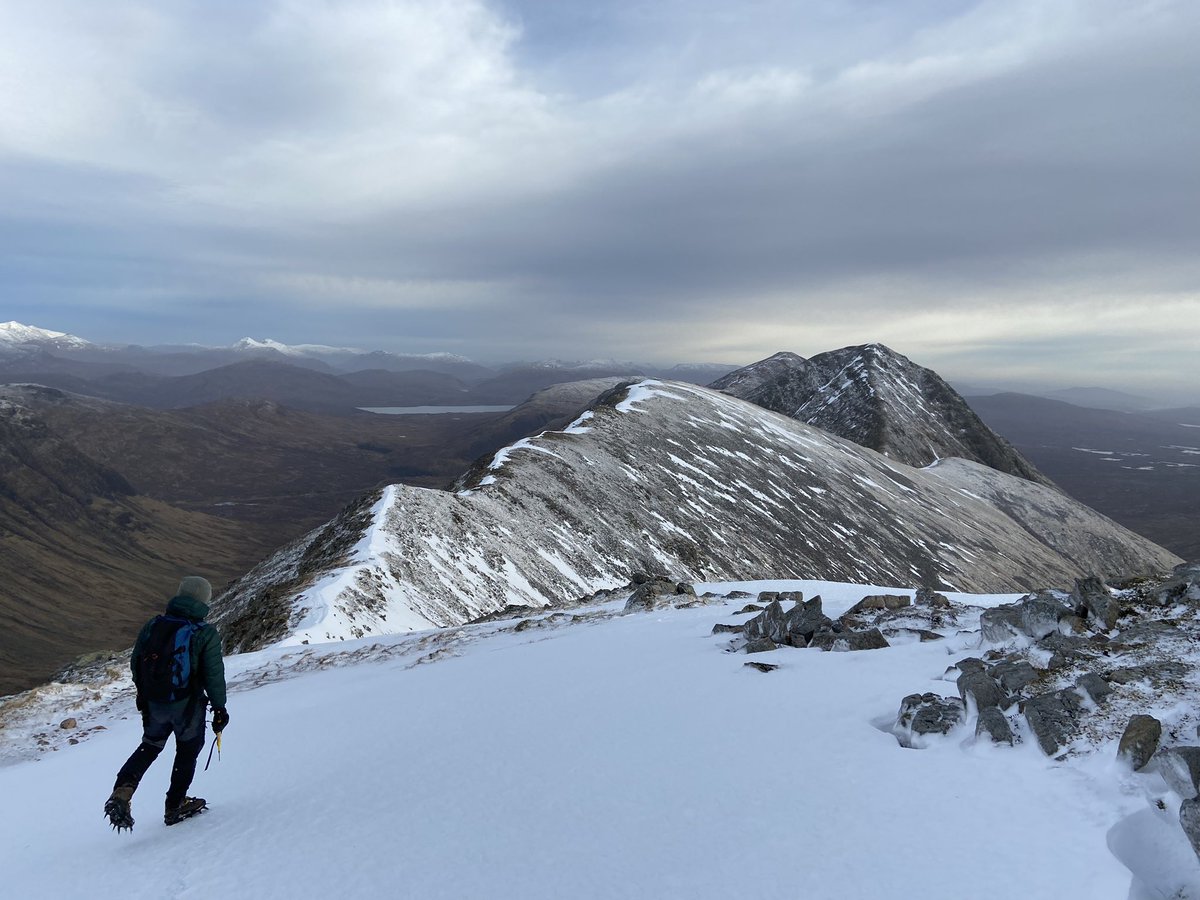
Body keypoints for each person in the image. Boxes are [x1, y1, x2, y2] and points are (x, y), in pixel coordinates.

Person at [104, 576, 229, 832]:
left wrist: (144, 694)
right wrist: (219, 708)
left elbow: (136, 661)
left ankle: (122, 792)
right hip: (187, 706)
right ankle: (175, 805)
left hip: (155, 703)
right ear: (204, 600)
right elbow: (213, 675)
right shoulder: (204, 633)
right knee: (187, 751)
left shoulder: (154, 625)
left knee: (149, 747)